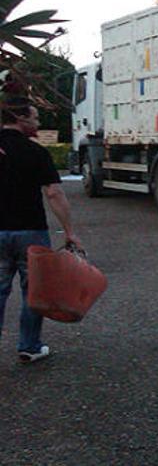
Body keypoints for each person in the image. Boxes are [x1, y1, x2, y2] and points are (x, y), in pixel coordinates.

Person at [0, 97, 82, 363]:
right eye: (35, 118)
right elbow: (54, 193)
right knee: (33, 291)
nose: (38, 122)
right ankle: (30, 346)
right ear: (21, 119)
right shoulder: (35, 152)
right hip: (30, 231)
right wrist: (69, 231)